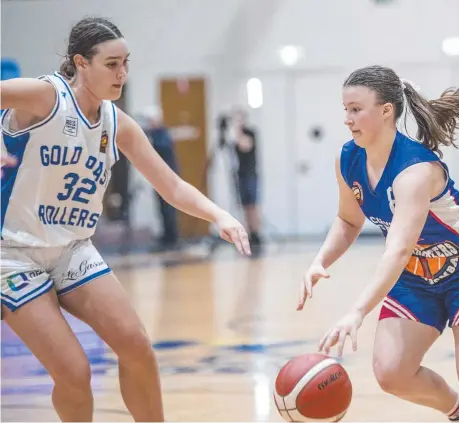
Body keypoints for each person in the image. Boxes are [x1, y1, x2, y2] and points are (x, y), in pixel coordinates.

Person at [0, 17, 250, 422]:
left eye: (126, 63)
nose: (123, 74)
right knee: (75, 371)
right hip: (14, 253)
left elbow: (172, 186)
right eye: (112, 64)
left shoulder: (118, 124)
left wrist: (219, 214)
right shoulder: (46, 96)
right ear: (81, 63)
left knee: (136, 345)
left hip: (71, 249)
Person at [297, 65, 459, 422]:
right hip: (418, 275)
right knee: (391, 372)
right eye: (345, 109)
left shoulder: (416, 170)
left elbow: (399, 249)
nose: (347, 118)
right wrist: (320, 261)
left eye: (356, 109)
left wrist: (357, 311)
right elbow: (348, 220)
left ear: (386, 110)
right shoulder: (348, 158)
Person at [219, 107, 263, 253]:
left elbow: (245, 146)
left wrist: (236, 132)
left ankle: (256, 233)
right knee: (244, 205)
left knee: (253, 204)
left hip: (250, 173)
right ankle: (248, 233)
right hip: (240, 174)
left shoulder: (249, 132)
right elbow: (223, 147)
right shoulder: (232, 136)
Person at [142, 106, 180, 249]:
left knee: (169, 207)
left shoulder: (162, 133)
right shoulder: (155, 133)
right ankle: (166, 235)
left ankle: (172, 238)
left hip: (167, 177)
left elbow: (162, 148)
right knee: (162, 208)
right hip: (158, 177)